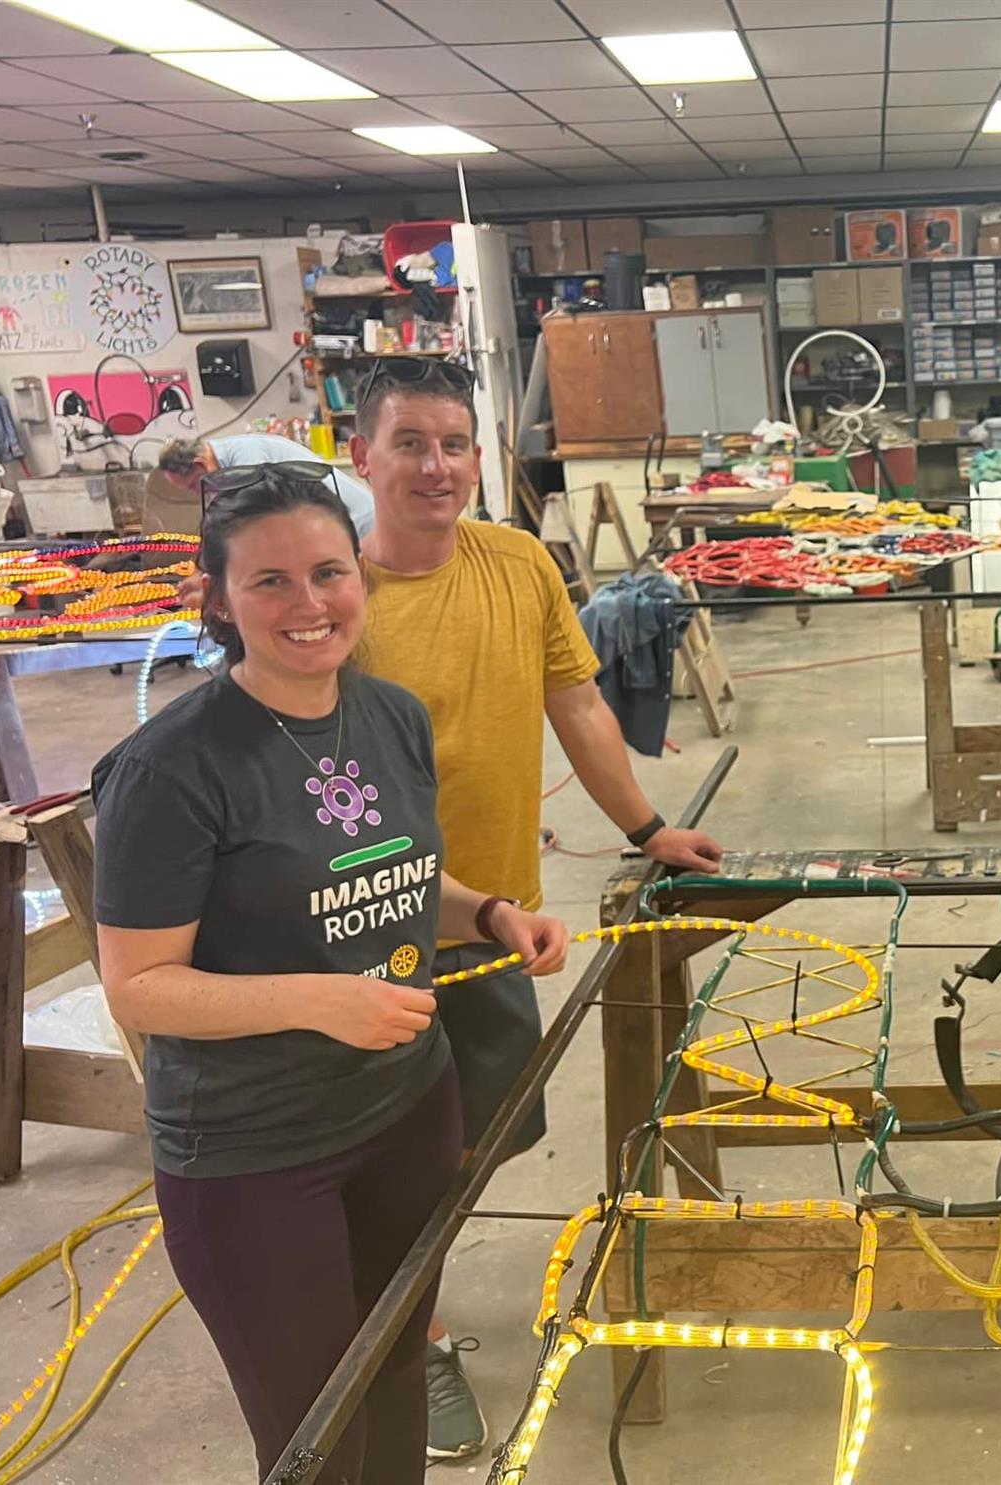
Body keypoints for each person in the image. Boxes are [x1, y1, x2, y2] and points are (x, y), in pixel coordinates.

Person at [92, 467, 570, 1483]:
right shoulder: (172, 769)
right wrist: (320, 1001)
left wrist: (488, 912)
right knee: (318, 1437)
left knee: (395, 1385)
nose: (308, 603)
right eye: (269, 581)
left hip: (405, 1110)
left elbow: (396, 872)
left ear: (361, 577)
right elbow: (137, 984)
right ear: (217, 598)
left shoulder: (388, 715)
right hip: (257, 1151)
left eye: (328, 572)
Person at [345, 357, 724, 1459]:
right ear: (361, 455)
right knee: (389, 1151)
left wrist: (647, 827)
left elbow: (576, 701)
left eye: (455, 443)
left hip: (495, 918)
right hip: (367, 929)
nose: (436, 466)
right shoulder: (336, 594)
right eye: (409, 443)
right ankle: (408, 1341)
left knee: (484, 1130)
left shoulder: (516, 564)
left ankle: (399, 1301)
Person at [157, 433, 376, 538]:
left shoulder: (246, 456)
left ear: (200, 464)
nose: (198, 492)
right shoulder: (227, 465)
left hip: (357, 521)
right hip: (332, 523)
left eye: (193, 485)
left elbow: (255, 518)